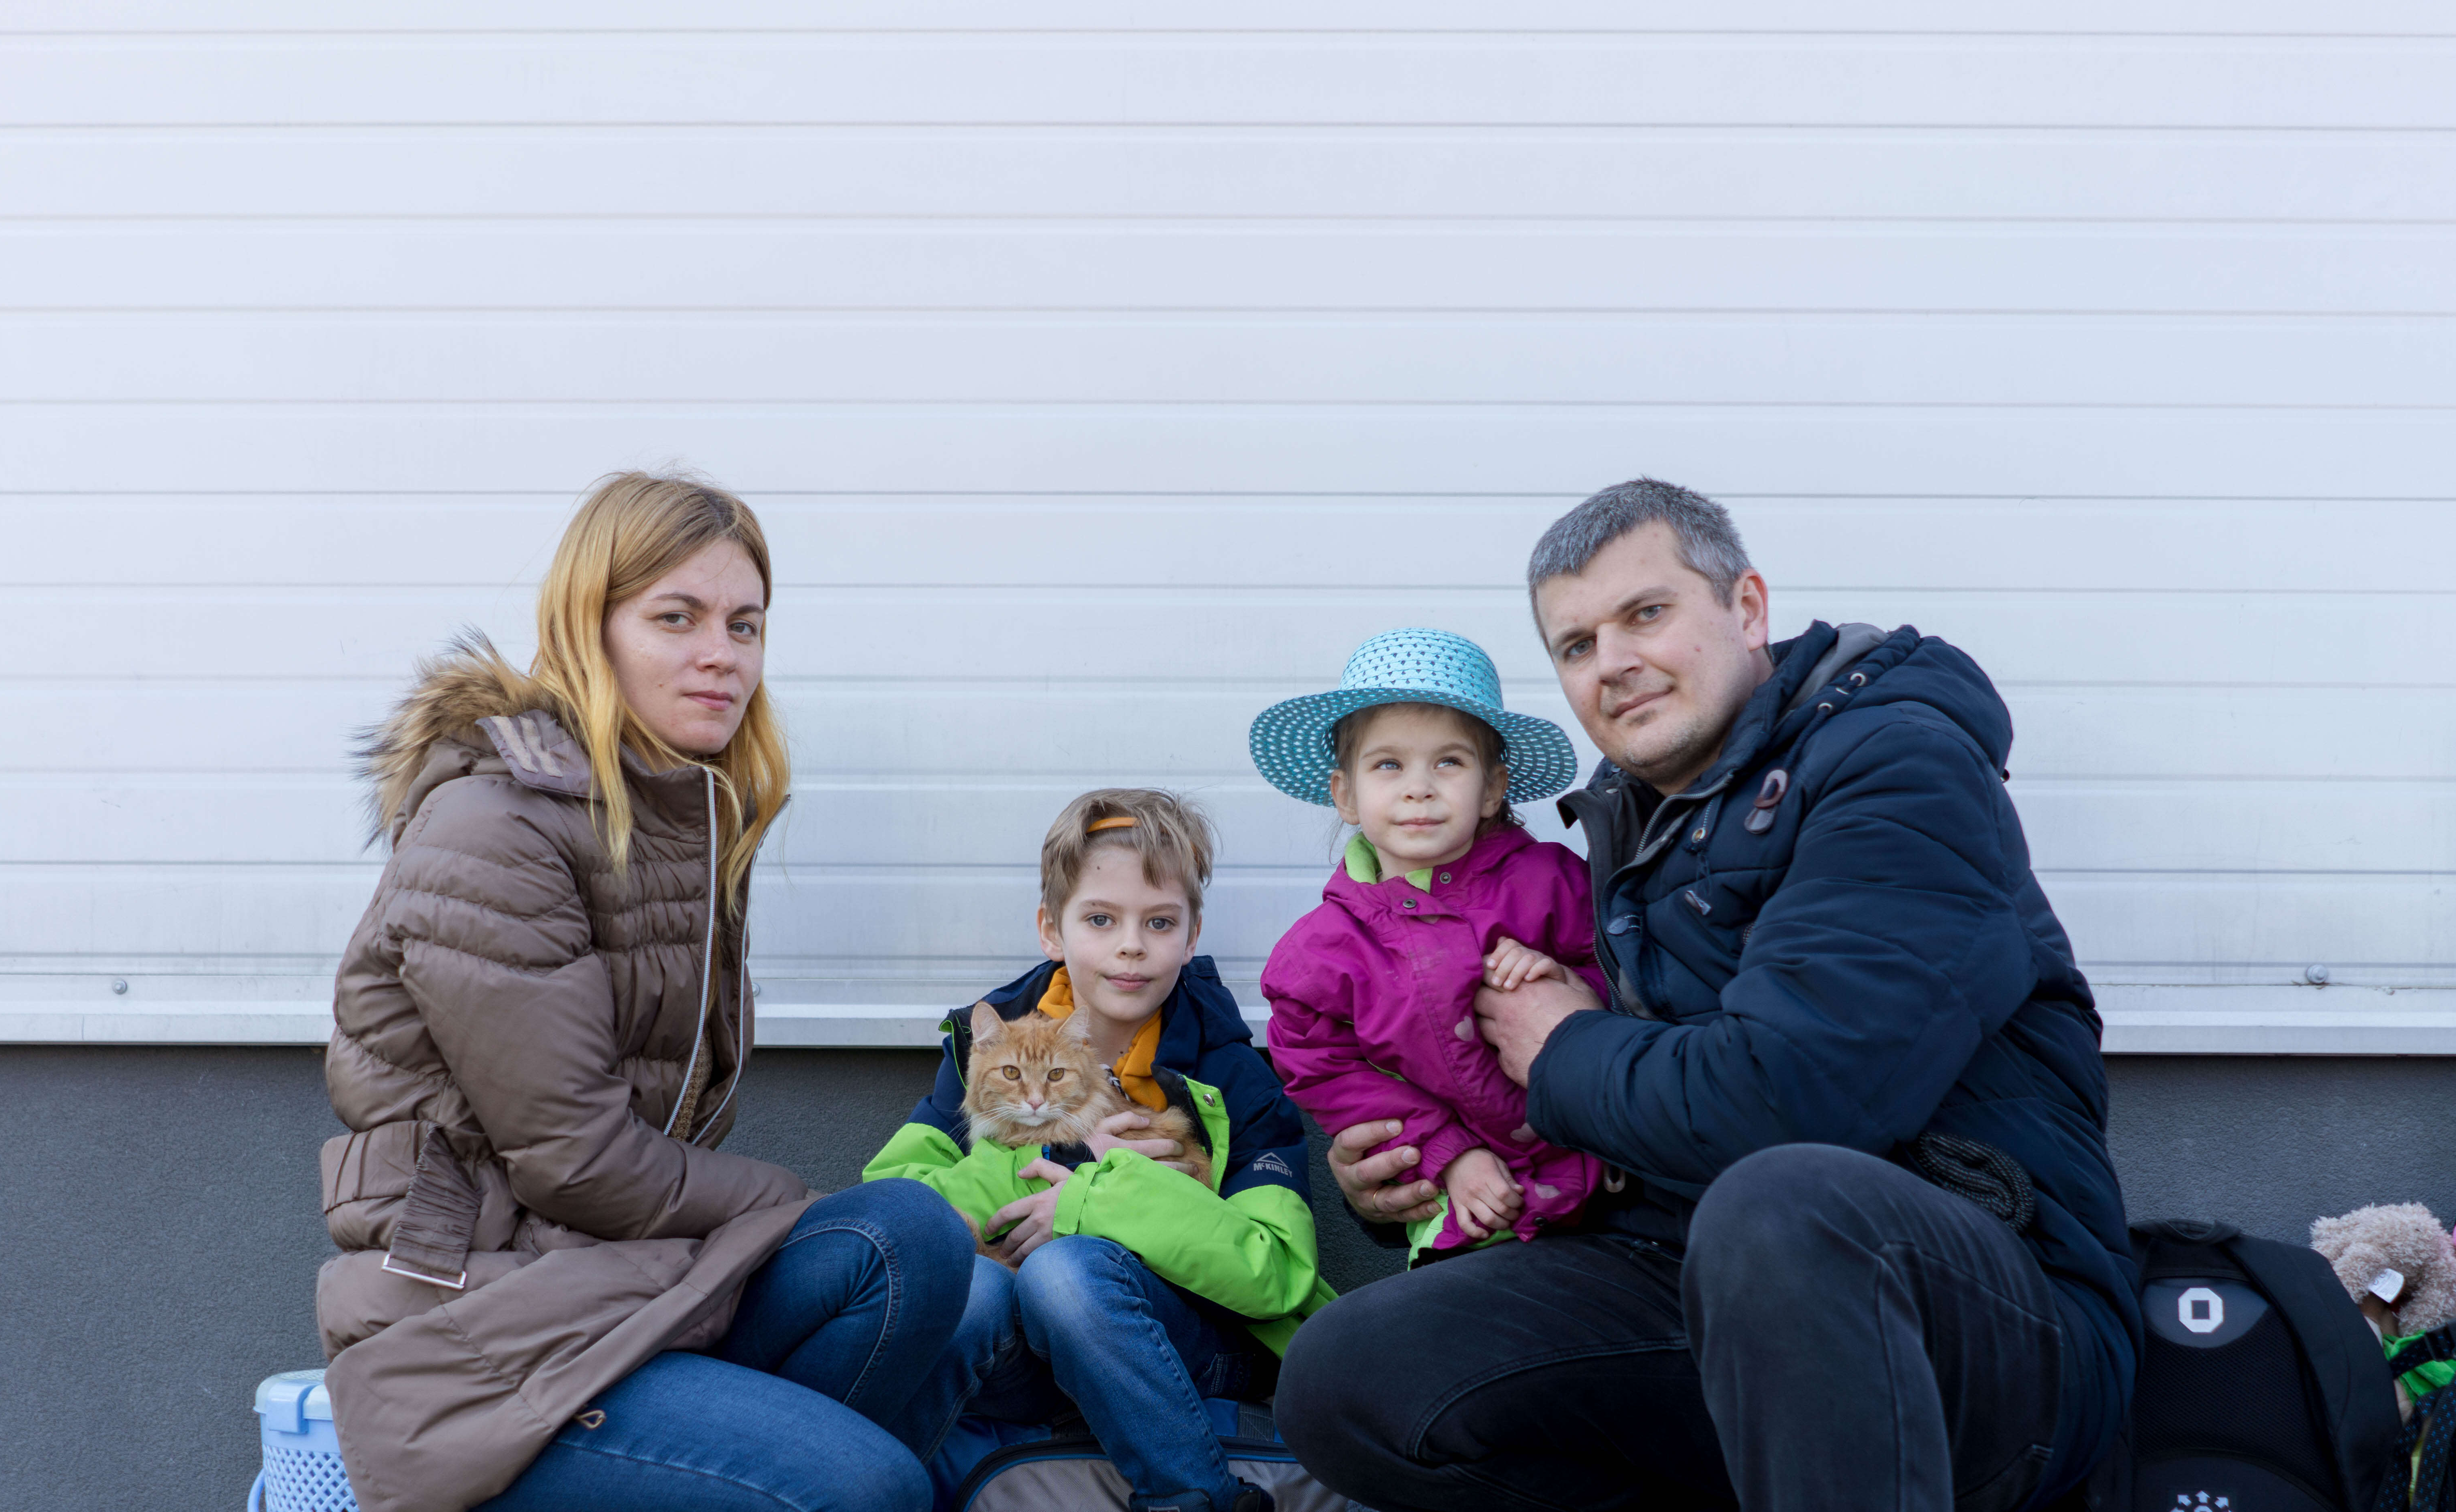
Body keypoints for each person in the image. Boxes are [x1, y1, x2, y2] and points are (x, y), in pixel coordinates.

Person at [1274, 479, 2136, 1512]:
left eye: (1646, 613)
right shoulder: (1626, 825)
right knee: (1351, 1378)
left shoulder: (1895, 764)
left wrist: (1560, 1049)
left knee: (1782, 1201)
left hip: (1979, 1310)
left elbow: (1791, 1097)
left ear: (1748, 607)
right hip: (1685, 1275)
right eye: (1578, 645)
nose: (1615, 662)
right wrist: (1424, 1157)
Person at [314, 472, 979, 1512]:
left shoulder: (680, 813)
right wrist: (788, 1203)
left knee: (916, 1243)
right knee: (868, 1485)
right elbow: (579, 1162)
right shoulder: (499, 828)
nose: (724, 654)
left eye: (745, 624)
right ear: (593, 627)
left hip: (617, 1282)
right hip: (484, 1337)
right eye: (678, 617)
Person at [864, 789, 1332, 1512]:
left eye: (1159, 922)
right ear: (1052, 929)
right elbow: (898, 1205)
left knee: (1066, 1270)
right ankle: (873, 1492)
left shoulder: (1234, 1075)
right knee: (972, 1292)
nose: (1131, 946)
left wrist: (1096, 1201)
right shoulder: (986, 1047)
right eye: (1100, 919)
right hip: (1025, 1348)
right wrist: (1054, 1145)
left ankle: (1195, 1499)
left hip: (1190, 1343)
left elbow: (1277, 1275)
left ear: (1192, 931)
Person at [1249, 628, 1608, 1254]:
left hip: (1604, 1184)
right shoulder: (1320, 955)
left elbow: (1630, 973)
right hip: (1461, 1216)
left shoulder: (1550, 881)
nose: (1419, 787)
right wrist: (1446, 1154)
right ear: (1346, 795)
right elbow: (1327, 1072)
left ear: (1492, 789)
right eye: (1388, 764)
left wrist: (1572, 982)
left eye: (1449, 761)